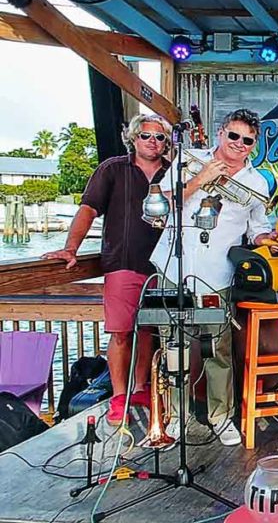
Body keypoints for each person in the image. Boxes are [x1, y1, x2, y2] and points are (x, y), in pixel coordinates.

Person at [150, 108, 278, 447]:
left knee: (217, 348)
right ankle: (175, 417)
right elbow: (159, 207)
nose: (239, 144)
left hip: (216, 272)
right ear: (221, 133)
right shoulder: (189, 159)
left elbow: (257, 229)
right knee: (172, 345)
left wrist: (269, 242)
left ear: (255, 145)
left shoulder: (256, 182)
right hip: (172, 265)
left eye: (247, 140)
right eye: (233, 136)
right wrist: (201, 178)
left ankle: (220, 417)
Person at [45, 114, 172, 425]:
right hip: (121, 263)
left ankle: (141, 389)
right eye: (146, 136)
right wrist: (70, 248)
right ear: (133, 138)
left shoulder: (173, 174)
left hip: (163, 265)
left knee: (147, 331)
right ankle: (118, 395)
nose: (152, 142)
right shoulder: (112, 168)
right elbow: (88, 208)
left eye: (160, 137)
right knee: (120, 332)